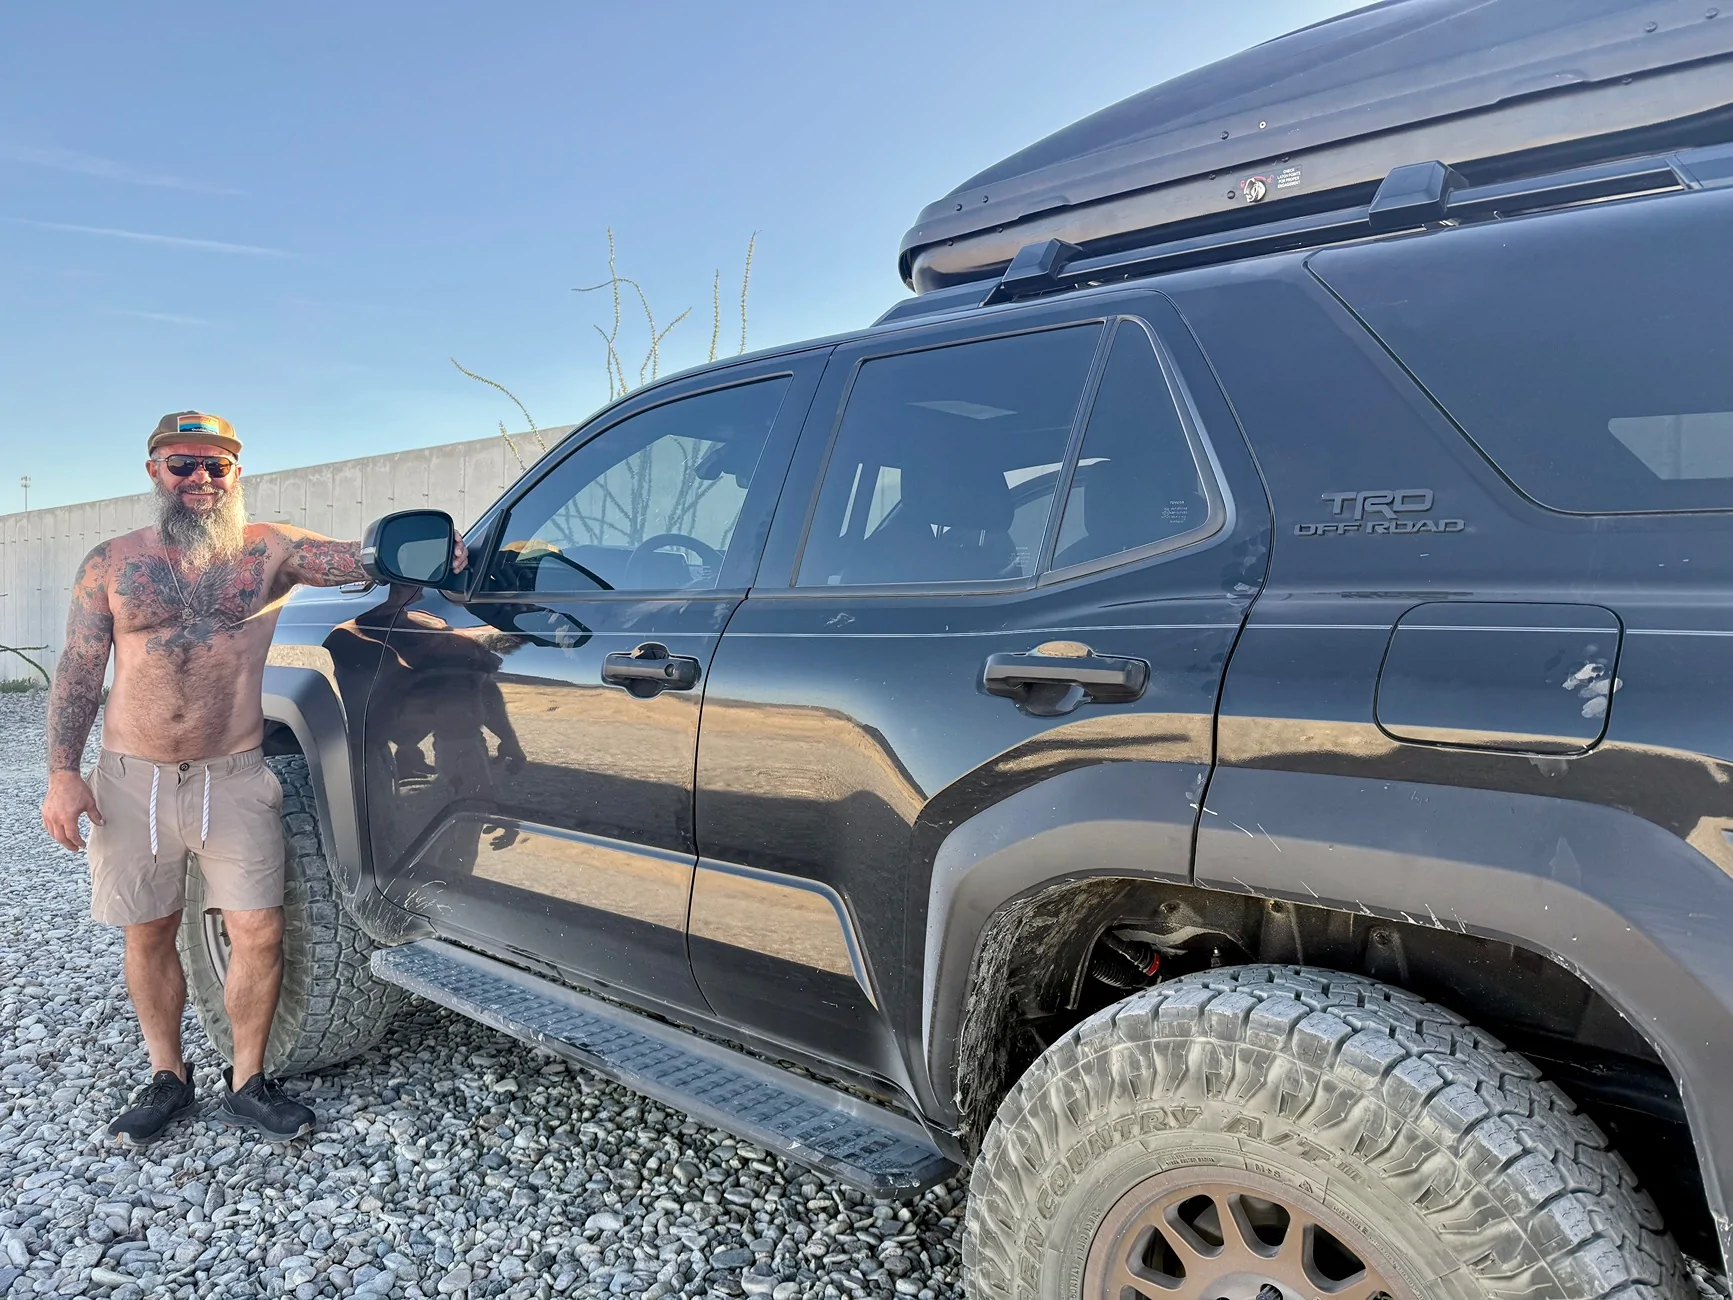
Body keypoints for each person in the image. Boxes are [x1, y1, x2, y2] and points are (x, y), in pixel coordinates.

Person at [38, 411, 466, 1146]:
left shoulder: (270, 551)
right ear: (154, 472)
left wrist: (442, 553)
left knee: (260, 930)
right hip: (129, 778)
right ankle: (167, 1076)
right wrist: (60, 774)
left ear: (236, 473)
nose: (201, 479)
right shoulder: (112, 562)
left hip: (233, 776)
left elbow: (364, 559)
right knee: (150, 931)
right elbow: (79, 669)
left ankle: (249, 1081)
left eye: (217, 466)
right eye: (184, 465)